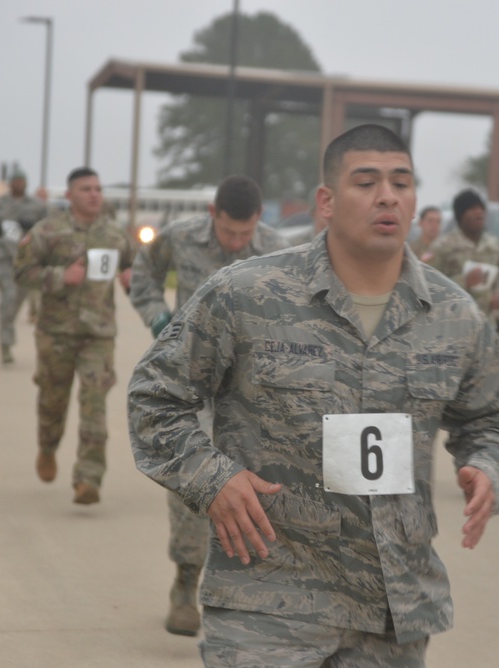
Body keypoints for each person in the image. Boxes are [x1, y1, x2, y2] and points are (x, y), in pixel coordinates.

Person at [127, 124, 499, 666]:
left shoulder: (455, 316)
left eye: (401, 182)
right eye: (366, 182)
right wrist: (211, 479)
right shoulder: (246, 295)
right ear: (327, 201)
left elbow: (492, 421)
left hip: (391, 612)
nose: (387, 196)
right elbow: (154, 395)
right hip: (267, 600)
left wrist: (487, 466)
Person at [128, 174, 289, 636]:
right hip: (195, 382)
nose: (237, 242)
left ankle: (254, 594)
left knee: (263, 483)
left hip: (253, 389)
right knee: (193, 480)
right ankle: (185, 581)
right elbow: (143, 272)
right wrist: (159, 317)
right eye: (228, 231)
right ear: (212, 214)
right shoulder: (180, 237)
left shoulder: (277, 250)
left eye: (245, 232)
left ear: (258, 220)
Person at [14, 167, 134, 505]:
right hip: (56, 332)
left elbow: (133, 267)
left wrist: (132, 278)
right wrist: (59, 276)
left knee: (95, 403)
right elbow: (21, 272)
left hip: (98, 335)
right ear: (69, 195)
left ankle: (88, 478)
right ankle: (47, 447)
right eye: (85, 189)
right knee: (53, 401)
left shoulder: (115, 234)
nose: (94, 194)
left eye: (98, 188)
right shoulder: (48, 231)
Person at [0, 167, 47, 364]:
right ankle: (5, 343)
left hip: (27, 261)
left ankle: (8, 328)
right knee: (8, 298)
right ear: (10, 183)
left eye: (22, 180)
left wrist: (32, 227)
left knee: (17, 301)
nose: (19, 184)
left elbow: (48, 229)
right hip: (5, 260)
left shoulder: (36, 206)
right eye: (16, 180)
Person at [428, 189, 499, 318]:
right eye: (472, 209)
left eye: (481, 208)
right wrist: (464, 281)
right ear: (461, 215)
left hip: (485, 321)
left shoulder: (494, 245)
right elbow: (429, 285)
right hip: (452, 321)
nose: (479, 212)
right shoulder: (442, 246)